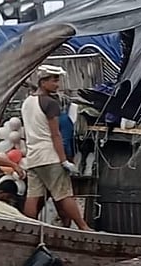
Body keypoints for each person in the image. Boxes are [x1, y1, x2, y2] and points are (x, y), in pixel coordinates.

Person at [21, 64, 91, 230]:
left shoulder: (27, 102)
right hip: (49, 156)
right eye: (54, 81)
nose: (57, 85)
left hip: (33, 157)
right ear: (43, 82)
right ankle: (84, 227)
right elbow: (55, 134)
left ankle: (26, 227)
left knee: (33, 195)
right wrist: (63, 160)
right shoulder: (50, 103)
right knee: (64, 194)